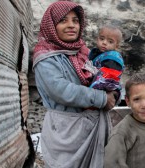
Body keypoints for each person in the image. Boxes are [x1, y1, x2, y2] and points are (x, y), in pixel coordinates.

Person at [32, 1, 116, 167]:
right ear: (52, 26)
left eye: (75, 21)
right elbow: (61, 90)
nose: (71, 25)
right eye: (63, 21)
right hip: (66, 132)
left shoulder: (84, 52)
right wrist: (101, 98)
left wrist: (114, 92)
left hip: (93, 127)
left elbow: (99, 79)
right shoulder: (46, 57)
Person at [104, 73, 145, 168]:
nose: (144, 105)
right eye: (137, 99)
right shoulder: (122, 133)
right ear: (128, 101)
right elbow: (111, 164)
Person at [88, 25, 124, 100]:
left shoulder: (112, 58)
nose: (104, 43)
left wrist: (93, 94)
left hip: (102, 92)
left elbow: (108, 79)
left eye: (110, 41)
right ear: (97, 39)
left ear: (116, 46)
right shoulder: (98, 53)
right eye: (102, 39)